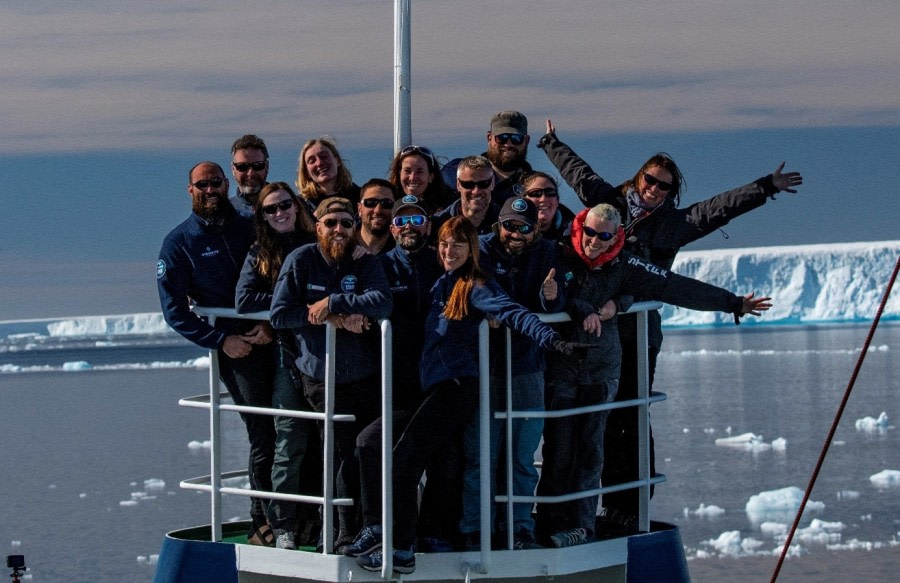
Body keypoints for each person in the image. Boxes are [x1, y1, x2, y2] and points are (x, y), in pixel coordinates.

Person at [538, 119, 802, 528]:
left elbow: (718, 210)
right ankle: (574, 505)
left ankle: (628, 503)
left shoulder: (671, 226)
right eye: (650, 180)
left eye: (663, 186)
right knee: (586, 417)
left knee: (629, 414)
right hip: (590, 331)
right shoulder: (609, 204)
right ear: (638, 176)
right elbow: (579, 174)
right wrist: (551, 143)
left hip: (636, 332)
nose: (654, 190)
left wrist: (766, 186)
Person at [535, 203, 773, 548]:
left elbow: (677, 287)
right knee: (559, 450)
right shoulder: (555, 254)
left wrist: (732, 303)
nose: (595, 242)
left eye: (604, 236)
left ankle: (581, 528)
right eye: (590, 233)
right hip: (561, 368)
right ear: (580, 227)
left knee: (590, 451)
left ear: (616, 236)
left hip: (601, 370)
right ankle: (550, 523)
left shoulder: (624, 265)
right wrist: (578, 304)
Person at [357, 216, 580, 574]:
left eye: (457, 245)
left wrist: (552, 340)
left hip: (457, 388)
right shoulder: (441, 283)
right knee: (384, 449)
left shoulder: (476, 285)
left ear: (471, 249)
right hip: (435, 389)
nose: (448, 251)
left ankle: (400, 550)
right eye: (444, 244)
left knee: (404, 460)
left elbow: (512, 312)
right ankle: (389, 538)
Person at [157, 161, 276, 547]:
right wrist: (221, 341)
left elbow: (278, 273)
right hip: (236, 351)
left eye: (216, 183)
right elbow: (175, 311)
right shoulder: (179, 243)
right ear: (190, 190)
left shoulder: (250, 225)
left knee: (298, 426)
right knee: (263, 432)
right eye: (202, 184)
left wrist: (272, 323)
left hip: (276, 339)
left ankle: (299, 514)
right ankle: (263, 520)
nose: (210, 190)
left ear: (227, 185)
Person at [269, 198, 392, 552]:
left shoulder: (365, 261)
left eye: (345, 223)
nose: (338, 230)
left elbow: (382, 302)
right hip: (321, 374)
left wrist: (336, 303)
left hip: (364, 374)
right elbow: (280, 315)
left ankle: (370, 528)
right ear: (318, 226)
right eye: (330, 223)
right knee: (338, 452)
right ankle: (338, 532)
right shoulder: (302, 261)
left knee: (366, 451)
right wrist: (326, 316)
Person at [341, 194, 447, 557]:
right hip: (395, 384)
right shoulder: (378, 267)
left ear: (428, 226)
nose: (408, 227)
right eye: (401, 221)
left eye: (417, 220)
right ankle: (374, 526)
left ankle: (433, 532)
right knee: (368, 444)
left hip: (438, 383)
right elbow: (359, 300)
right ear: (392, 226)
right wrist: (348, 314)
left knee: (445, 456)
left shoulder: (443, 263)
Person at [458, 196, 564, 550]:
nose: (514, 234)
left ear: (536, 229)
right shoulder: (481, 251)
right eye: (508, 226)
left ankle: (519, 526)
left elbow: (561, 298)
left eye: (523, 228)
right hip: (485, 368)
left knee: (522, 455)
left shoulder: (548, 253)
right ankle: (477, 527)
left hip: (527, 367)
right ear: (497, 224)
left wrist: (552, 297)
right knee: (481, 452)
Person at [235, 182, 319, 550]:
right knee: (288, 438)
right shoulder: (260, 253)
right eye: (270, 209)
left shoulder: (320, 240)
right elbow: (244, 299)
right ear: (263, 218)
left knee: (327, 439)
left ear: (297, 205)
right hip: (289, 357)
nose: (279, 213)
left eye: (285, 204)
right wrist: (289, 305)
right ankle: (280, 522)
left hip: (325, 357)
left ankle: (320, 518)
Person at [442, 111, 535, 205]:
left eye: (516, 138)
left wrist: (550, 152)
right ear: (489, 138)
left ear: (526, 141)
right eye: (502, 138)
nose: (508, 144)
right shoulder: (455, 170)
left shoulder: (535, 183)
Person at [432, 155, 501, 236]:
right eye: (468, 184)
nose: (476, 191)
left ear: (492, 183)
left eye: (483, 184)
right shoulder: (437, 223)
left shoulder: (506, 223)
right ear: (458, 184)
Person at [296, 137, 360, 214]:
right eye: (312, 161)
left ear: (337, 161)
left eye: (324, 157)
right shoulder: (301, 206)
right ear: (307, 173)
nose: (319, 163)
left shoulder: (361, 196)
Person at [387, 145, 456, 213]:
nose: (412, 177)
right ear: (399, 174)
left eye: (420, 171)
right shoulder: (387, 204)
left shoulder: (449, 210)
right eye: (407, 171)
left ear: (430, 177)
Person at [519, 171, 575, 241]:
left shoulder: (576, 234)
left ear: (557, 201)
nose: (543, 199)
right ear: (524, 200)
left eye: (550, 192)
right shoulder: (511, 231)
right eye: (535, 193)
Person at [355, 178, 398, 255]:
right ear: (359, 209)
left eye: (386, 203)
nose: (378, 210)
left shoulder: (401, 248)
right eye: (370, 202)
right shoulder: (344, 244)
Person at [229, 134, 270, 215]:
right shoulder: (225, 212)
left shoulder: (289, 206)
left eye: (257, 165)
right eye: (242, 166)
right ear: (233, 169)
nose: (250, 173)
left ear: (267, 167)